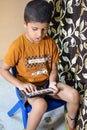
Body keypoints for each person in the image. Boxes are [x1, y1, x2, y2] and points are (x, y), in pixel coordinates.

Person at [0, 0, 80, 130]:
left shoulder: (50, 43)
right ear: (25, 24)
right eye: (35, 29)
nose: (39, 34)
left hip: (47, 84)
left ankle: (70, 121)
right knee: (41, 105)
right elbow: (3, 70)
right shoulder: (17, 46)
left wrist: (52, 82)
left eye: (44, 29)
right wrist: (21, 85)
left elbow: (53, 68)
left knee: (74, 95)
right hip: (28, 87)